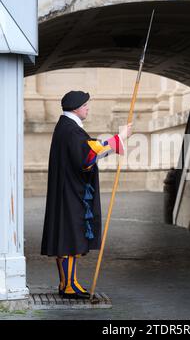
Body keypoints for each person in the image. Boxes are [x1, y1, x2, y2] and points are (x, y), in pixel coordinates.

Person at [41, 90, 132, 299]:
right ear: (76, 107)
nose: (88, 108)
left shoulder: (67, 127)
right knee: (70, 236)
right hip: (72, 192)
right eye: (86, 105)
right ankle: (69, 285)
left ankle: (67, 283)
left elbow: (89, 148)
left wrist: (114, 142)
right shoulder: (71, 130)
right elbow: (88, 155)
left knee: (66, 235)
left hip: (68, 190)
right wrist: (119, 139)